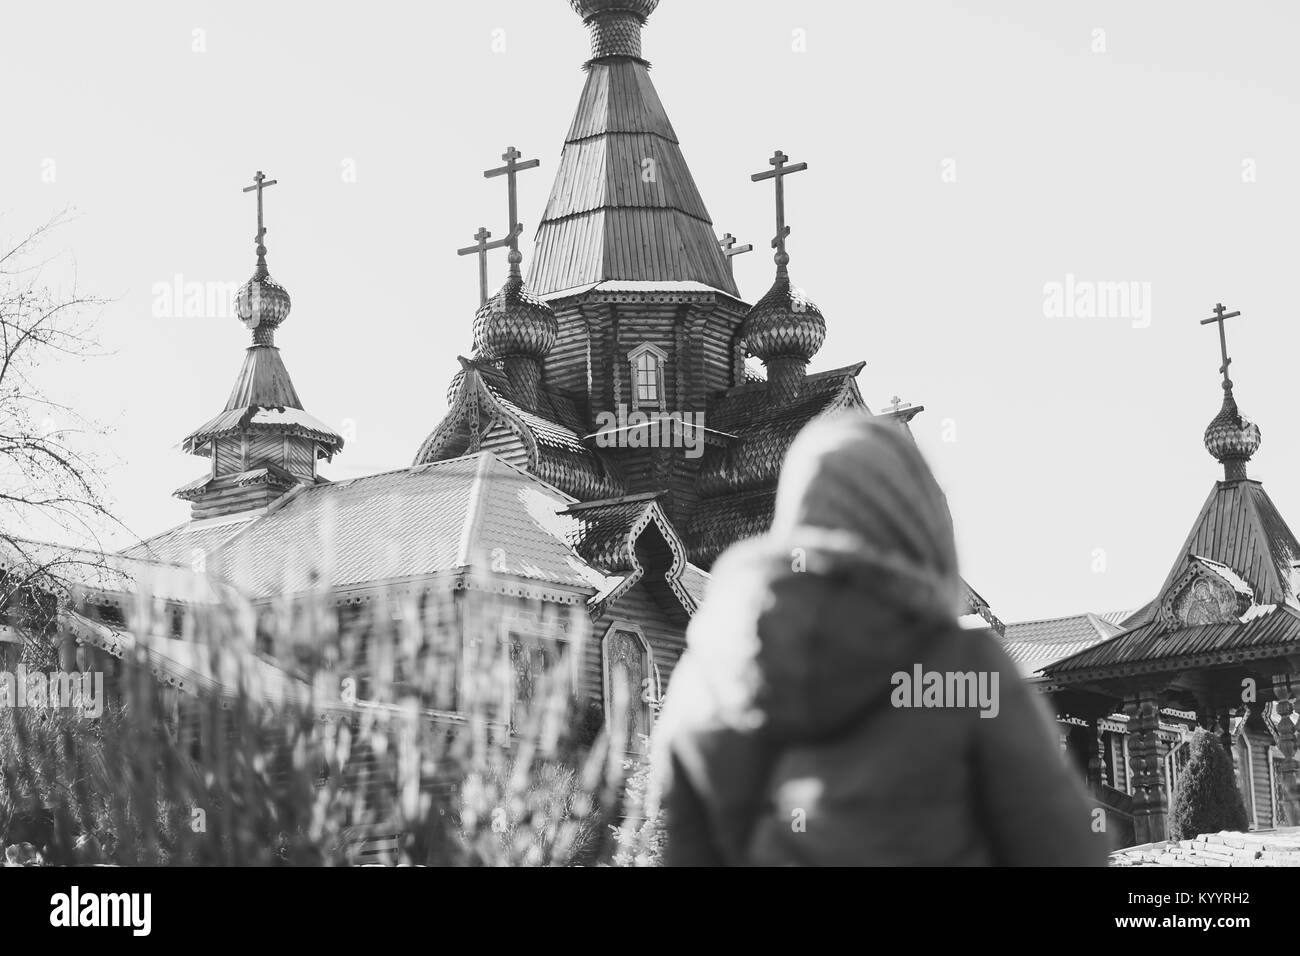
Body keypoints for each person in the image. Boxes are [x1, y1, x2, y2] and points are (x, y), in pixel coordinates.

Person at [650, 411, 1105, 866]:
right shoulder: (960, 666)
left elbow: (673, 846)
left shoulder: (705, 678)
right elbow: (1065, 849)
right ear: (919, 523)